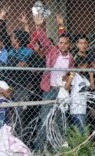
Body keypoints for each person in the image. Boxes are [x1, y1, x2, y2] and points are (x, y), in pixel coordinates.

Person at [33, 14, 74, 152]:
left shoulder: (70, 57)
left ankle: (56, 148)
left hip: (61, 91)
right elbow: (44, 40)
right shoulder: (52, 50)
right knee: (45, 119)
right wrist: (39, 26)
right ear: (58, 44)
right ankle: (39, 148)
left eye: (65, 43)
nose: (62, 45)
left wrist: (67, 79)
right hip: (49, 89)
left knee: (58, 120)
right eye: (60, 43)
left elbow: (70, 73)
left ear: (69, 45)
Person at [65, 56, 95, 133]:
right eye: (85, 65)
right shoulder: (75, 76)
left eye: (87, 65)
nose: (86, 67)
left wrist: (91, 75)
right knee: (82, 132)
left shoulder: (84, 78)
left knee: (80, 131)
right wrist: (71, 75)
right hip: (76, 109)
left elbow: (91, 87)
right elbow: (67, 87)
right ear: (79, 65)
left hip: (83, 109)